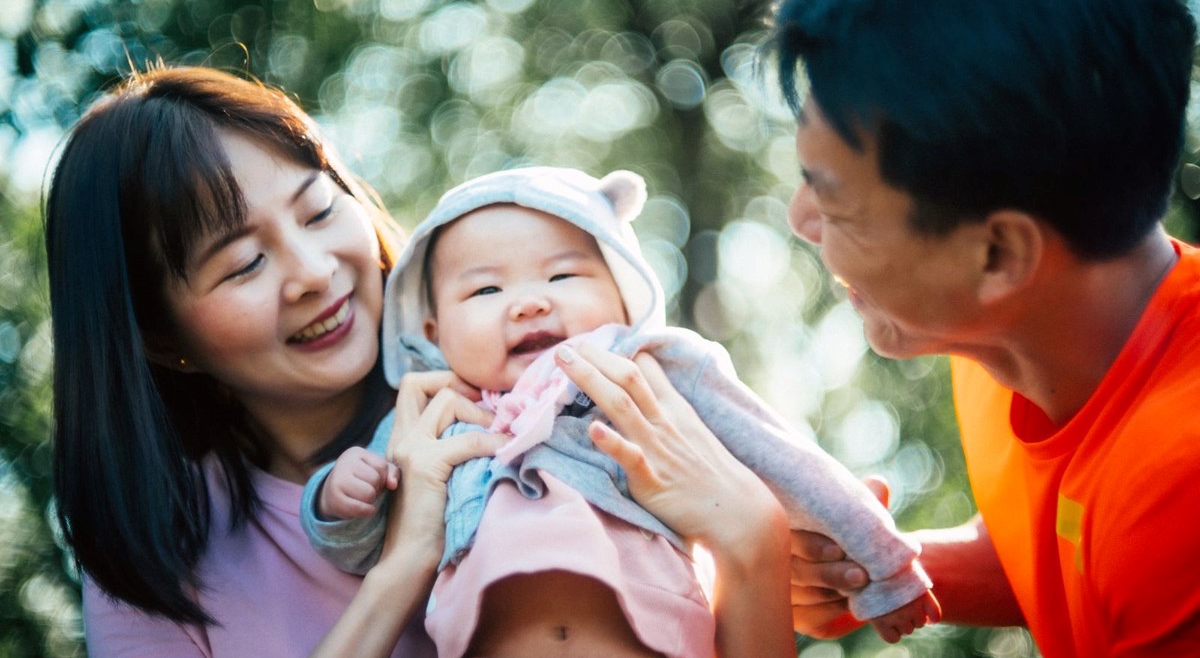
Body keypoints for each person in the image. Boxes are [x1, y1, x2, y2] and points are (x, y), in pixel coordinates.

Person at [43, 66, 783, 657]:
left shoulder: (544, 407)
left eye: (319, 210)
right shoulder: (155, 558)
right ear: (156, 335)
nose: (311, 271)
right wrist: (404, 564)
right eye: (242, 264)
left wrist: (756, 544)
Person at [299, 165, 940, 656]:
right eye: (488, 288)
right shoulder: (435, 415)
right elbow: (362, 550)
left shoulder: (647, 373)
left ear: (622, 292)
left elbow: (784, 460)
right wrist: (338, 496)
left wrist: (885, 565)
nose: (527, 303)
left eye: (563, 277)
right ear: (434, 332)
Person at [768, 0, 1200, 656]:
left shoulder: (1181, 488)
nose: (800, 221)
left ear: (997, 253)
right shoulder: (1008, 341)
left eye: (836, 203)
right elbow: (1064, 538)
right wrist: (886, 565)